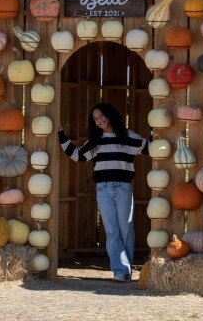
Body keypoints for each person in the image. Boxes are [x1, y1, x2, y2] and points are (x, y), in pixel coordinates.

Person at [58, 103, 151, 283]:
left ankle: (126, 271)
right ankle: (120, 270)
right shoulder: (96, 141)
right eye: (95, 118)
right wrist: (61, 133)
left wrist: (155, 128)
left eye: (102, 115)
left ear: (110, 115)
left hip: (124, 188)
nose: (100, 120)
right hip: (103, 190)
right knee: (111, 230)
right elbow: (77, 155)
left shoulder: (127, 136)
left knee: (126, 230)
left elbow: (147, 148)